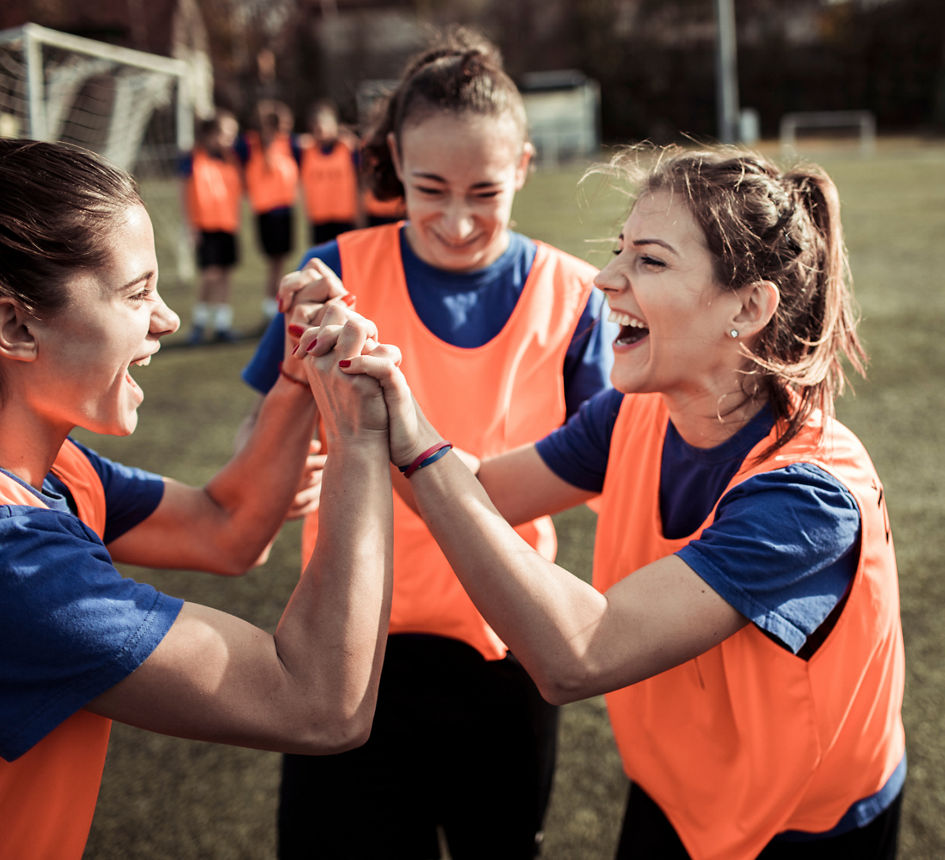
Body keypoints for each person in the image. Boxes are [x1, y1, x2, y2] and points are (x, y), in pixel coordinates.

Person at [313, 144, 907, 859]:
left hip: (804, 825)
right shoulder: (633, 417)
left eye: (648, 261)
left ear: (749, 307)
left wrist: (411, 442)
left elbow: (579, 656)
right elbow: (482, 496)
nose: (604, 277)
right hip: (675, 793)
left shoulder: (809, 498)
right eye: (618, 250)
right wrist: (374, 406)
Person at [240, 26, 614, 859]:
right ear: (394, 166)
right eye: (429, 186)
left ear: (523, 165)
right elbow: (265, 427)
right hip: (345, 638)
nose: (454, 220)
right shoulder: (334, 270)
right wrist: (294, 435)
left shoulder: (570, 292)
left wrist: (471, 493)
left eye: (484, 191)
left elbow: (599, 460)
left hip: (506, 641)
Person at [0, 138, 398, 859]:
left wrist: (297, 377)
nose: (167, 319)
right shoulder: (16, 564)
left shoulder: (55, 474)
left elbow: (226, 528)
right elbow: (318, 704)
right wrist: (362, 437)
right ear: (16, 325)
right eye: (135, 293)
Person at [181, 109, 242, 344]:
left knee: (225, 274)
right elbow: (183, 193)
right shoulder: (192, 158)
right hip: (204, 226)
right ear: (211, 133)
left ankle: (222, 325)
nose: (231, 139)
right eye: (227, 133)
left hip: (228, 225)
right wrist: (190, 225)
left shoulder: (231, 158)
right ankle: (198, 325)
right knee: (209, 275)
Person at [241, 99, 302, 328]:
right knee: (273, 264)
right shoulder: (251, 144)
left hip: (285, 211)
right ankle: (271, 309)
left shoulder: (290, 144)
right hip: (266, 213)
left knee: (281, 262)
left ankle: (279, 307)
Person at [300, 99, 360, 245]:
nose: (320, 128)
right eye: (316, 124)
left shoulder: (349, 149)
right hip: (319, 218)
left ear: (335, 125)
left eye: (325, 123)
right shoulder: (305, 150)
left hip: (344, 217)